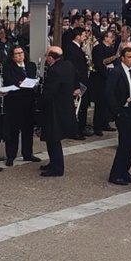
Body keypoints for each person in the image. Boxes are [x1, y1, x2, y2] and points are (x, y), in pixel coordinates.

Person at [106, 45, 131, 186]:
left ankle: (124, 171)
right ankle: (116, 174)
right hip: (123, 112)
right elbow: (109, 93)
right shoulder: (116, 72)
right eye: (129, 57)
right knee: (124, 144)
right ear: (123, 58)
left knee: (130, 144)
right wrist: (118, 110)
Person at [40, 46, 77, 177]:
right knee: (53, 138)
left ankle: (57, 167)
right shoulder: (68, 65)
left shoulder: (55, 70)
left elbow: (49, 91)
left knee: (53, 138)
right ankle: (53, 163)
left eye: (46, 56)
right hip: (65, 105)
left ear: (51, 57)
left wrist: (39, 104)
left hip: (55, 108)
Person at [2, 45, 41, 166]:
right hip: (14, 102)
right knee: (13, 130)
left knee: (28, 129)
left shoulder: (31, 65)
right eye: (17, 54)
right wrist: (22, 83)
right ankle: (11, 155)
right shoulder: (8, 67)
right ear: (12, 56)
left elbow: (33, 78)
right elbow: (10, 81)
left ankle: (28, 153)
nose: (20, 55)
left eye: (21, 53)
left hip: (28, 101)